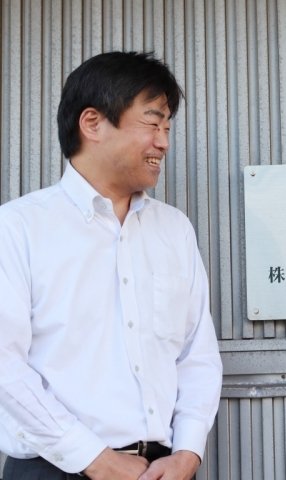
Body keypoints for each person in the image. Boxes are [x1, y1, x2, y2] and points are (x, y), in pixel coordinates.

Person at [0, 51, 223, 480]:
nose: (164, 142)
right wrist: (94, 459)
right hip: (56, 469)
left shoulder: (174, 229)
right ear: (92, 123)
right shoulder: (17, 228)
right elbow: (4, 367)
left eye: (167, 128)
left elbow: (197, 355)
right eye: (152, 123)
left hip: (164, 469)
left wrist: (188, 452)